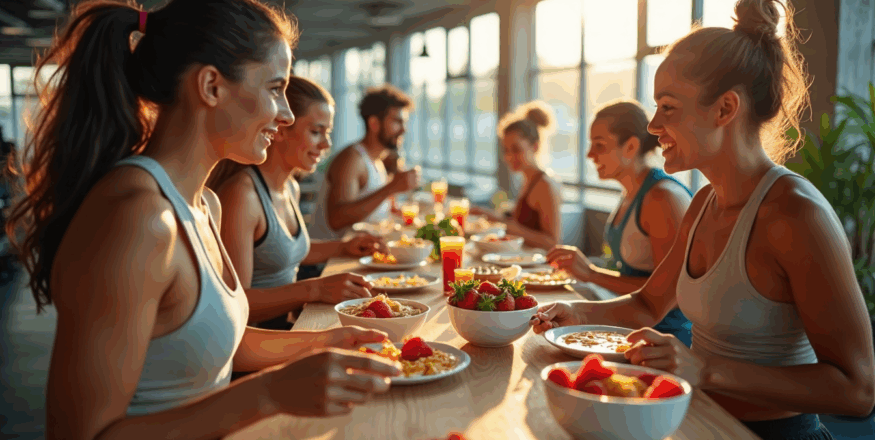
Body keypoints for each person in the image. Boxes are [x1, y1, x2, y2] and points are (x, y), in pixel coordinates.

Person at [5, 1, 401, 439]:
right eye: (275, 88)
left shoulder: (205, 203)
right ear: (211, 86)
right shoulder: (137, 220)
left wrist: (324, 343)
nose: (286, 114)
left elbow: (223, 343)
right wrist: (267, 394)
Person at [531, 1, 875, 439]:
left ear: (725, 109)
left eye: (668, 108)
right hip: (698, 420)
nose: (653, 126)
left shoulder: (795, 215)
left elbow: (858, 389)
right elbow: (648, 304)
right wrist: (575, 312)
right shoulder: (703, 203)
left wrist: (704, 368)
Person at [208, 76, 384, 331]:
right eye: (316, 131)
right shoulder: (242, 196)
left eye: (327, 132)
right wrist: (314, 289)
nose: (326, 144)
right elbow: (237, 302)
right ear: (280, 129)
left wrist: (344, 247)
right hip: (260, 340)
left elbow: (284, 250)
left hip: (290, 324)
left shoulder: (290, 186)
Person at [547, 100, 694, 347]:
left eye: (599, 145)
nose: (589, 154)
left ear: (631, 147)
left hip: (662, 341)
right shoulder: (630, 193)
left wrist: (592, 274)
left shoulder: (662, 198)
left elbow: (672, 294)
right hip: (629, 326)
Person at [309, 85, 420, 241]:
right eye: (397, 122)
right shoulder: (352, 159)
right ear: (374, 123)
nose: (404, 130)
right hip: (329, 262)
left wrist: (395, 209)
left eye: (404, 122)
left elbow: (369, 210)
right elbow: (336, 220)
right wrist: (391, 187)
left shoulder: (377, 160)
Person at [471, 101, 562, 250]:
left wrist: (502, 222)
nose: (509, 157)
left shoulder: (544, 185)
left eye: (516, 149)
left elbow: (552, 242)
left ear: (535, 146)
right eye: (506, 150)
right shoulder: (528, 180)